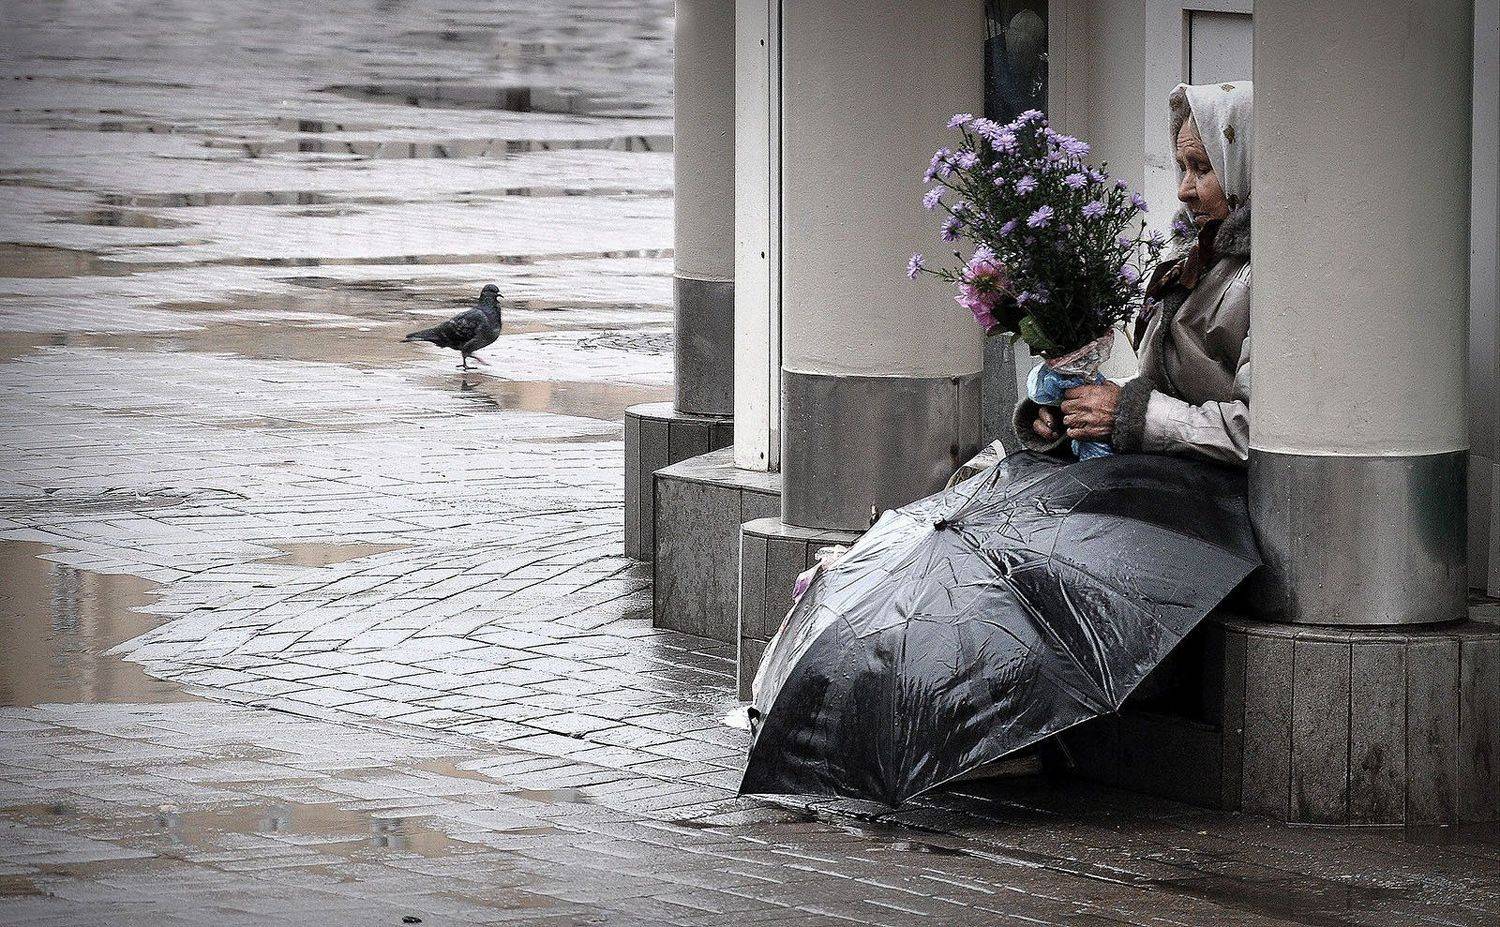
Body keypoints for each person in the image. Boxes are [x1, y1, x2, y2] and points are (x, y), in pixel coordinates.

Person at [1016, 81, 1253, 466]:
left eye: (1201, 168)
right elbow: (1167, 389)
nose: (1183, 190)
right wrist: (1075, 411)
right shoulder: (1192, 257)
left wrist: (1129, 414)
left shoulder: (1268, 279)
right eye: (1183, 167)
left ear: (1241, 163)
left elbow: (1254, 434)